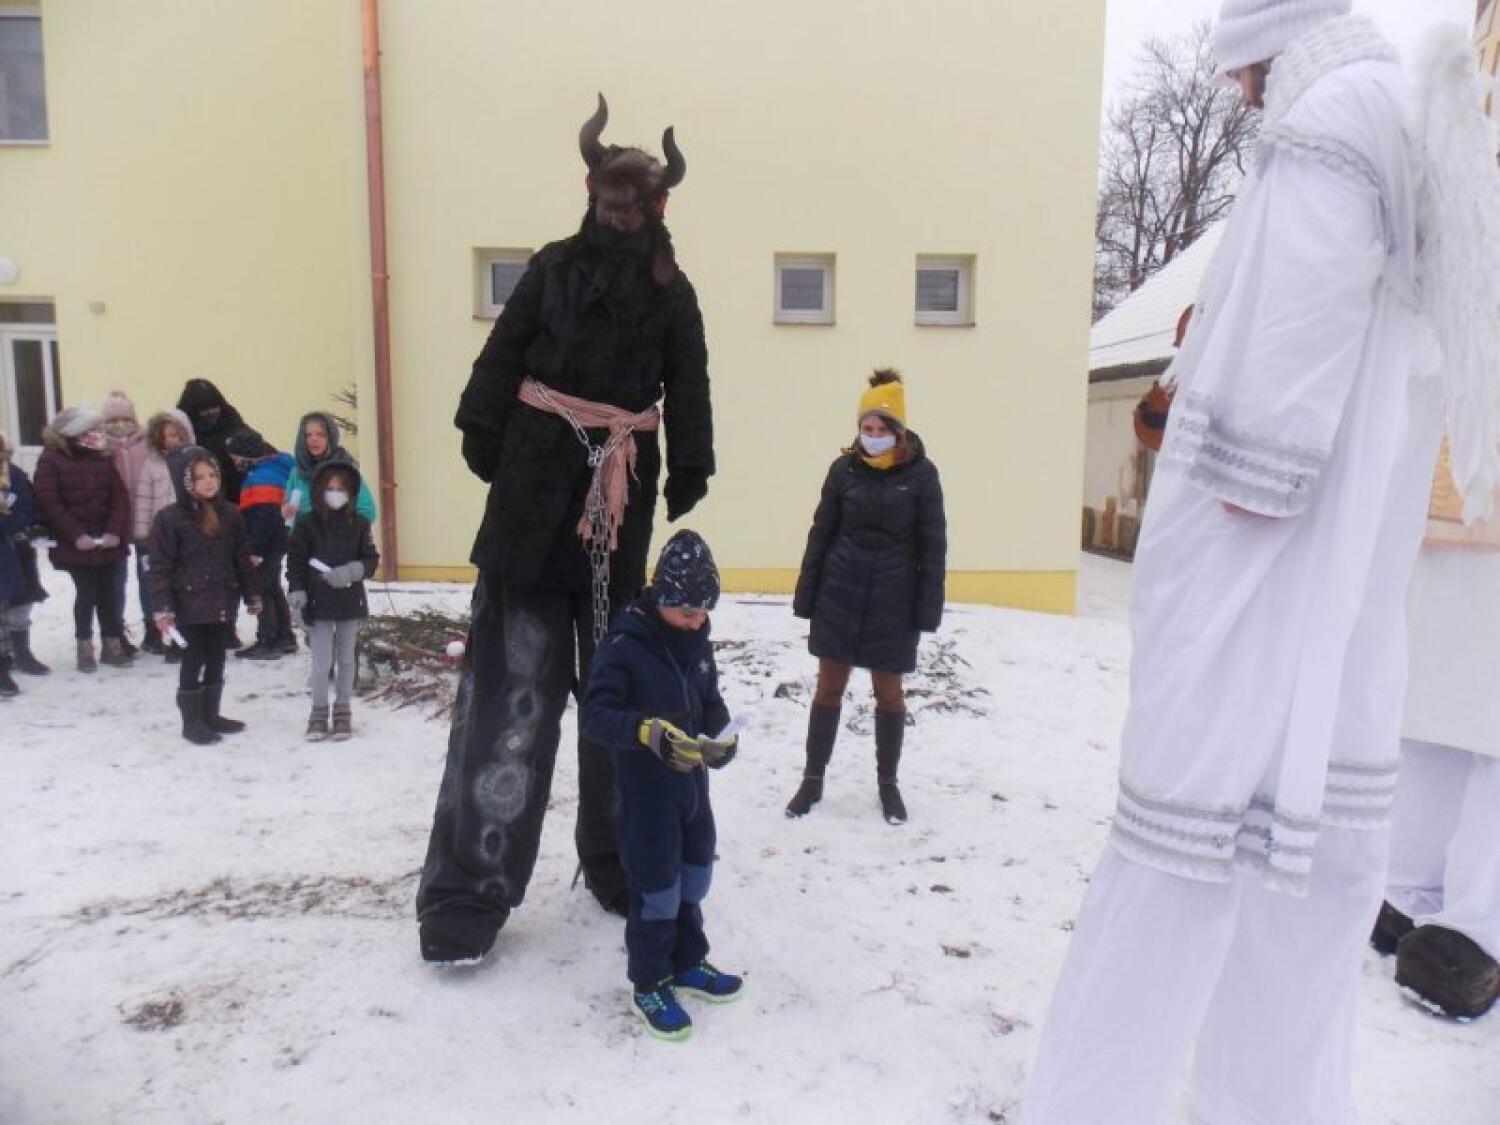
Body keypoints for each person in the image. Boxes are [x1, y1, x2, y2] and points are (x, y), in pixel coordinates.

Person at [1021, 6, 1500, 1122]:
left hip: (1256, 580)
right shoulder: (1387, 114)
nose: (1233, 88)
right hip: (1331, 596)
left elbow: (1284, 366)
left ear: (1266, 38)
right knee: (1302, 886)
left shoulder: (1328, 118)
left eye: (1236, 64)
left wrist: (1218, 490)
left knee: (1171, 862)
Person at [414, 94, 715, 965]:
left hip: (619, 521)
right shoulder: (550, 268)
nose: (620, 211)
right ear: (590, 191)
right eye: (609, 195)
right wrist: (489, 435)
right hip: (528, 515)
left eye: (636, 199)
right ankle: (468, 891)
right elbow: (502, 354)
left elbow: (689, 384)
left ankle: (623, 861)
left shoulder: (674, 294)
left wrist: (690, 465)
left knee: (623, 691)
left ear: (658, 203)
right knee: (509, 700)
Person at [580, 530, 743, 1040]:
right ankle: (649, 982)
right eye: (688, 612)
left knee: (694, 876)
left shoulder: (697, 642)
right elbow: (595, 716)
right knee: (657, 889)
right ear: (663, 598)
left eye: (704, 612)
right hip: (646, 795)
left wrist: (721, 736)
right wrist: (644, 731)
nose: (697, 621)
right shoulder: (625, 645)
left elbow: (709, 700)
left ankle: (689, 961)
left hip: (692, 788)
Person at [1373, 442, 1500, 1021]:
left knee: (1482, 724)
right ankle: (1418, 892)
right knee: (1432, 703)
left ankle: (1471, 924)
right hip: (1447, 489)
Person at [787, 370, 946, 825]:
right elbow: (821, 533)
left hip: (893, 604)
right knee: (828, 688)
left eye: (881, 429)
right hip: (839, 594)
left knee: (889, 694)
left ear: (899, 431)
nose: (872, 437)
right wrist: (807, 595)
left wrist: (927, 609)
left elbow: (933, 546)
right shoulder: (843, 471)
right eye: (866, 428)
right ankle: (812, 780)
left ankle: (888, 784)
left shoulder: (922, 476)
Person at [146, 446, 259, 745]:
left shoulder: (231, 514)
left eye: (212, 474)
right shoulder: (170, 519)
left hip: (222, 599)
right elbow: (160, 567)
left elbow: (241, 558)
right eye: (199, 477)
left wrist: (251, 594)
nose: (209, 481)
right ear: (186, 483)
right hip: (189, 604)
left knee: (217, 657)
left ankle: (211, 714)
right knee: (193, 659)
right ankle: (191, 721)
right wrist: (162, 608)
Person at [33, 406, 134, 673]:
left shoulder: (102, 457)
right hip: (75, 544)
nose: (95, 435)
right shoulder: (51, 460)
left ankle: (112, 642)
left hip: (107, 542)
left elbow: (119, 498)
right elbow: (49, 502)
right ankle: (84, 645)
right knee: (86, 594)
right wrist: (76, 534)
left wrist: (114, 531)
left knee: (109, 594)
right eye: (88, 430)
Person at [286, 462, 380, 741]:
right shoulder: (306, 524)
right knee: (321, 661)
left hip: (349, 601)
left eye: (341, 488)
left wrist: (351, 571)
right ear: (318, 490)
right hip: (318, 603)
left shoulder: (359, 524)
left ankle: (342, 710)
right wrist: (297, 592)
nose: (335, 493)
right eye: (330, 488)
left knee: (346, 659)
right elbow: (295, 561)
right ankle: (318, 713)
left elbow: (370, 560)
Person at [226, 426, 297, 659]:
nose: (235, 463)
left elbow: (262, 518)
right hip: (279, 539)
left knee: (261, 588)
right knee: (273, 586)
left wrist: (255, 550)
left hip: (266, 543)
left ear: (247, 455)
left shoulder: (261, 478)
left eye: (236, 458)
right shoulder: (277, 468)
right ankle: (285, 636)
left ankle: (269, 638)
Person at [134, 409, 196, 658]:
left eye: (175, 435)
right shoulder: (151, 465)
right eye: (165, 436)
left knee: (184, 586)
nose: (170, 441)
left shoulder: (193, 462)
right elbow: (143, 500)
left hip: (187, 535)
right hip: (159, 536)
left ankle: (182, 637)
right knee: (160, 585)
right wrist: (142, 533)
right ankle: (159, 633)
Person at [102, 391, 149, 655]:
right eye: (113, 420)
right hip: (114, 523)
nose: (120, 425)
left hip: (145, 519)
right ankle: (116, 631)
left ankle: (154, 627)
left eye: (125, 418)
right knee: (115, 580)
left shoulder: (146, 443)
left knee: (149, 576)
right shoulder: (100, 447)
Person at [0, 432, 48, 677]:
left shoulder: (15, 475)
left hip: (17, 549)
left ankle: (22, 652)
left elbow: (26, 509)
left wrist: (12, 523)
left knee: (21, 601)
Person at [280, 413, 375, 528]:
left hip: (338, 537)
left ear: (331, 438)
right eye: (308, 435)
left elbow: (367, 511)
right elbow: (287, 504)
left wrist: (345, 528)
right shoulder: (297, 472)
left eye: (320, 435)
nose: (314, 439)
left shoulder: (344, 470)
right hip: (304, 536)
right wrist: (286, 510)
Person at [0, 432, 35, 696]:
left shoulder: (13, 475)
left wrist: (6, 522)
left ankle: (4, 668)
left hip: (6, 551)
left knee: (4, 613)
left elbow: (25, 511)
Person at [175, 379, 247, 503]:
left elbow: (254, 446)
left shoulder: (231, 421)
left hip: (238, 495)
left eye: (215, 407)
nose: (211, 412)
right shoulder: (185, 433)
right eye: (204, 410)